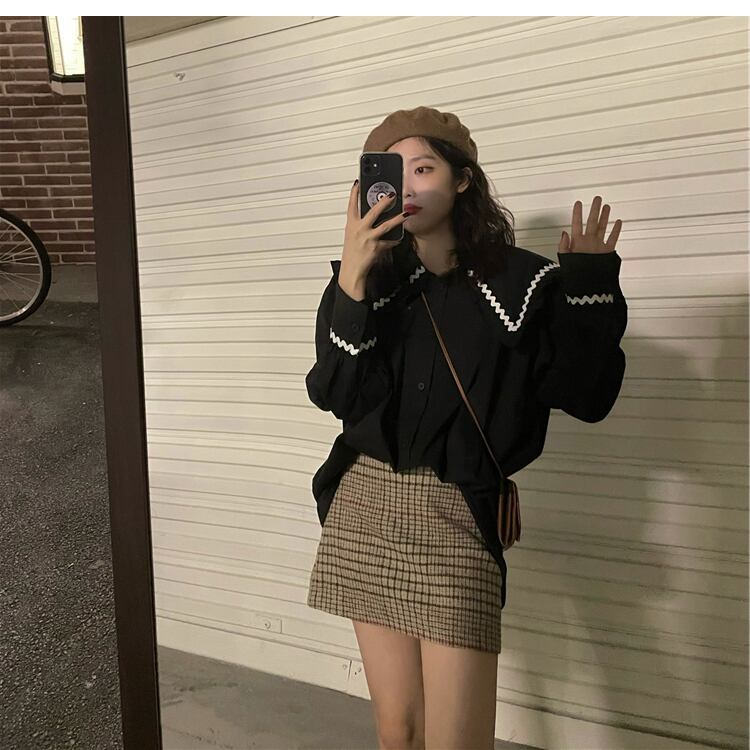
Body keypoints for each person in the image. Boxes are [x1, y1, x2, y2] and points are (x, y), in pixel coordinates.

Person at [304, 106, 627, 749]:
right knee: (398, 731)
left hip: (457, 512)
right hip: (364, 505)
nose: (409, 186)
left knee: (459, 742)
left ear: (462, 180)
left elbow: (587, 397)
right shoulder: (365, 282)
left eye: (424, 168)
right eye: (393, 172)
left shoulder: (523, 282)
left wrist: (590, 287)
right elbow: (337, 394)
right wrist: (353, 277)